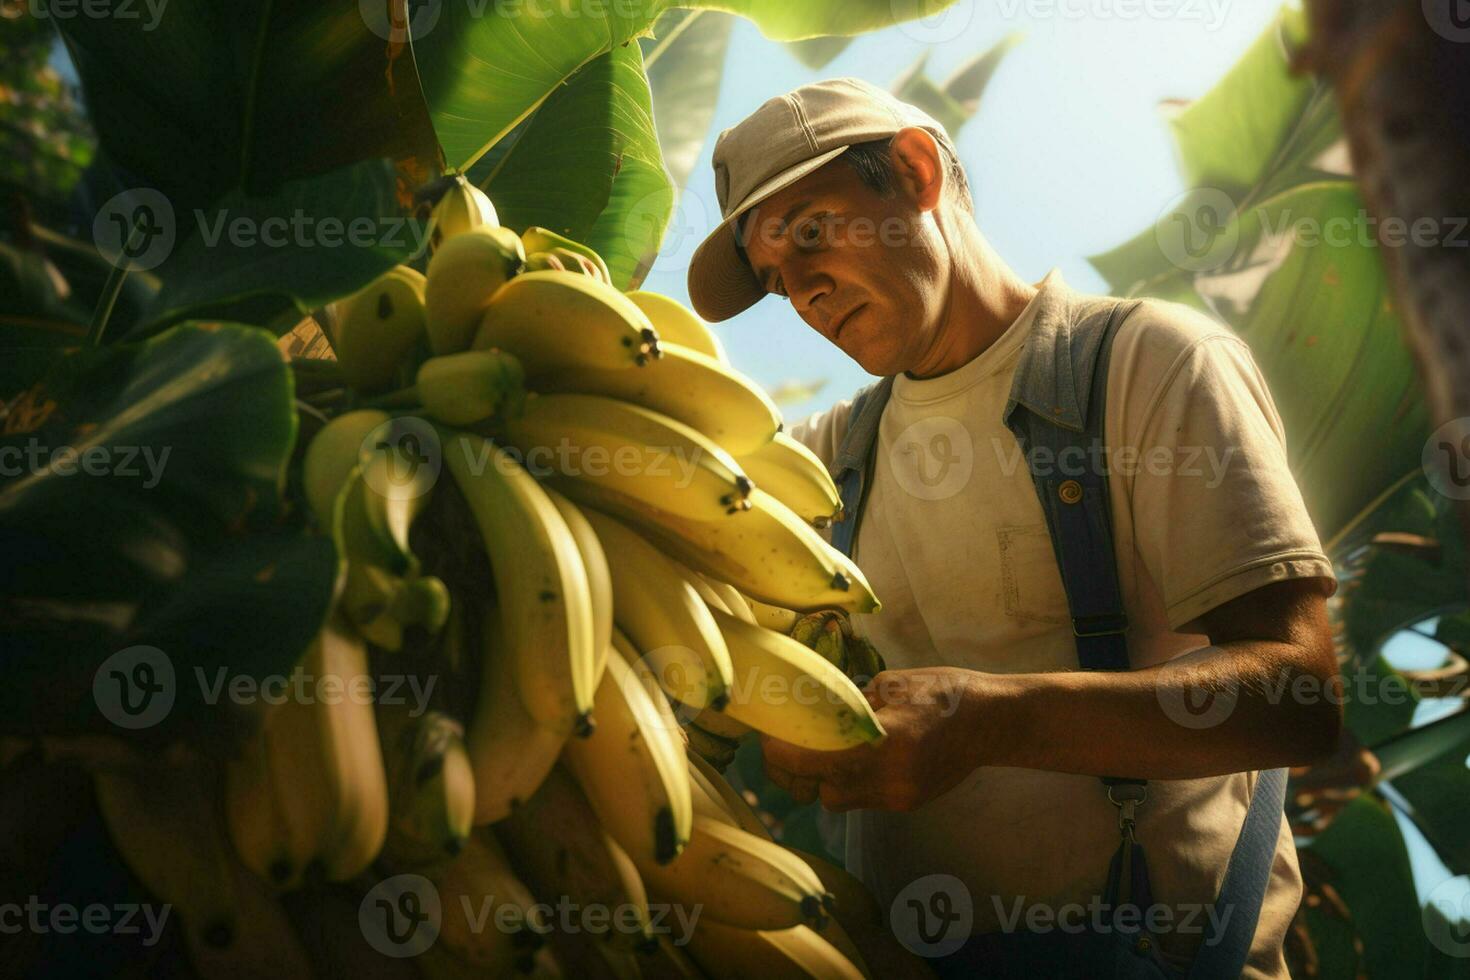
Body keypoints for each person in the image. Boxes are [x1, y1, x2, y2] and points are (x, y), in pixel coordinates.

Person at [685, 77, 1342, 979]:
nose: (801, 294)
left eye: (810, 234)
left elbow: (1300, 694)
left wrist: (989, 720)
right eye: (773, 279)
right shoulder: (822, 461)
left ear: (915, 172)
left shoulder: (1145, 363)